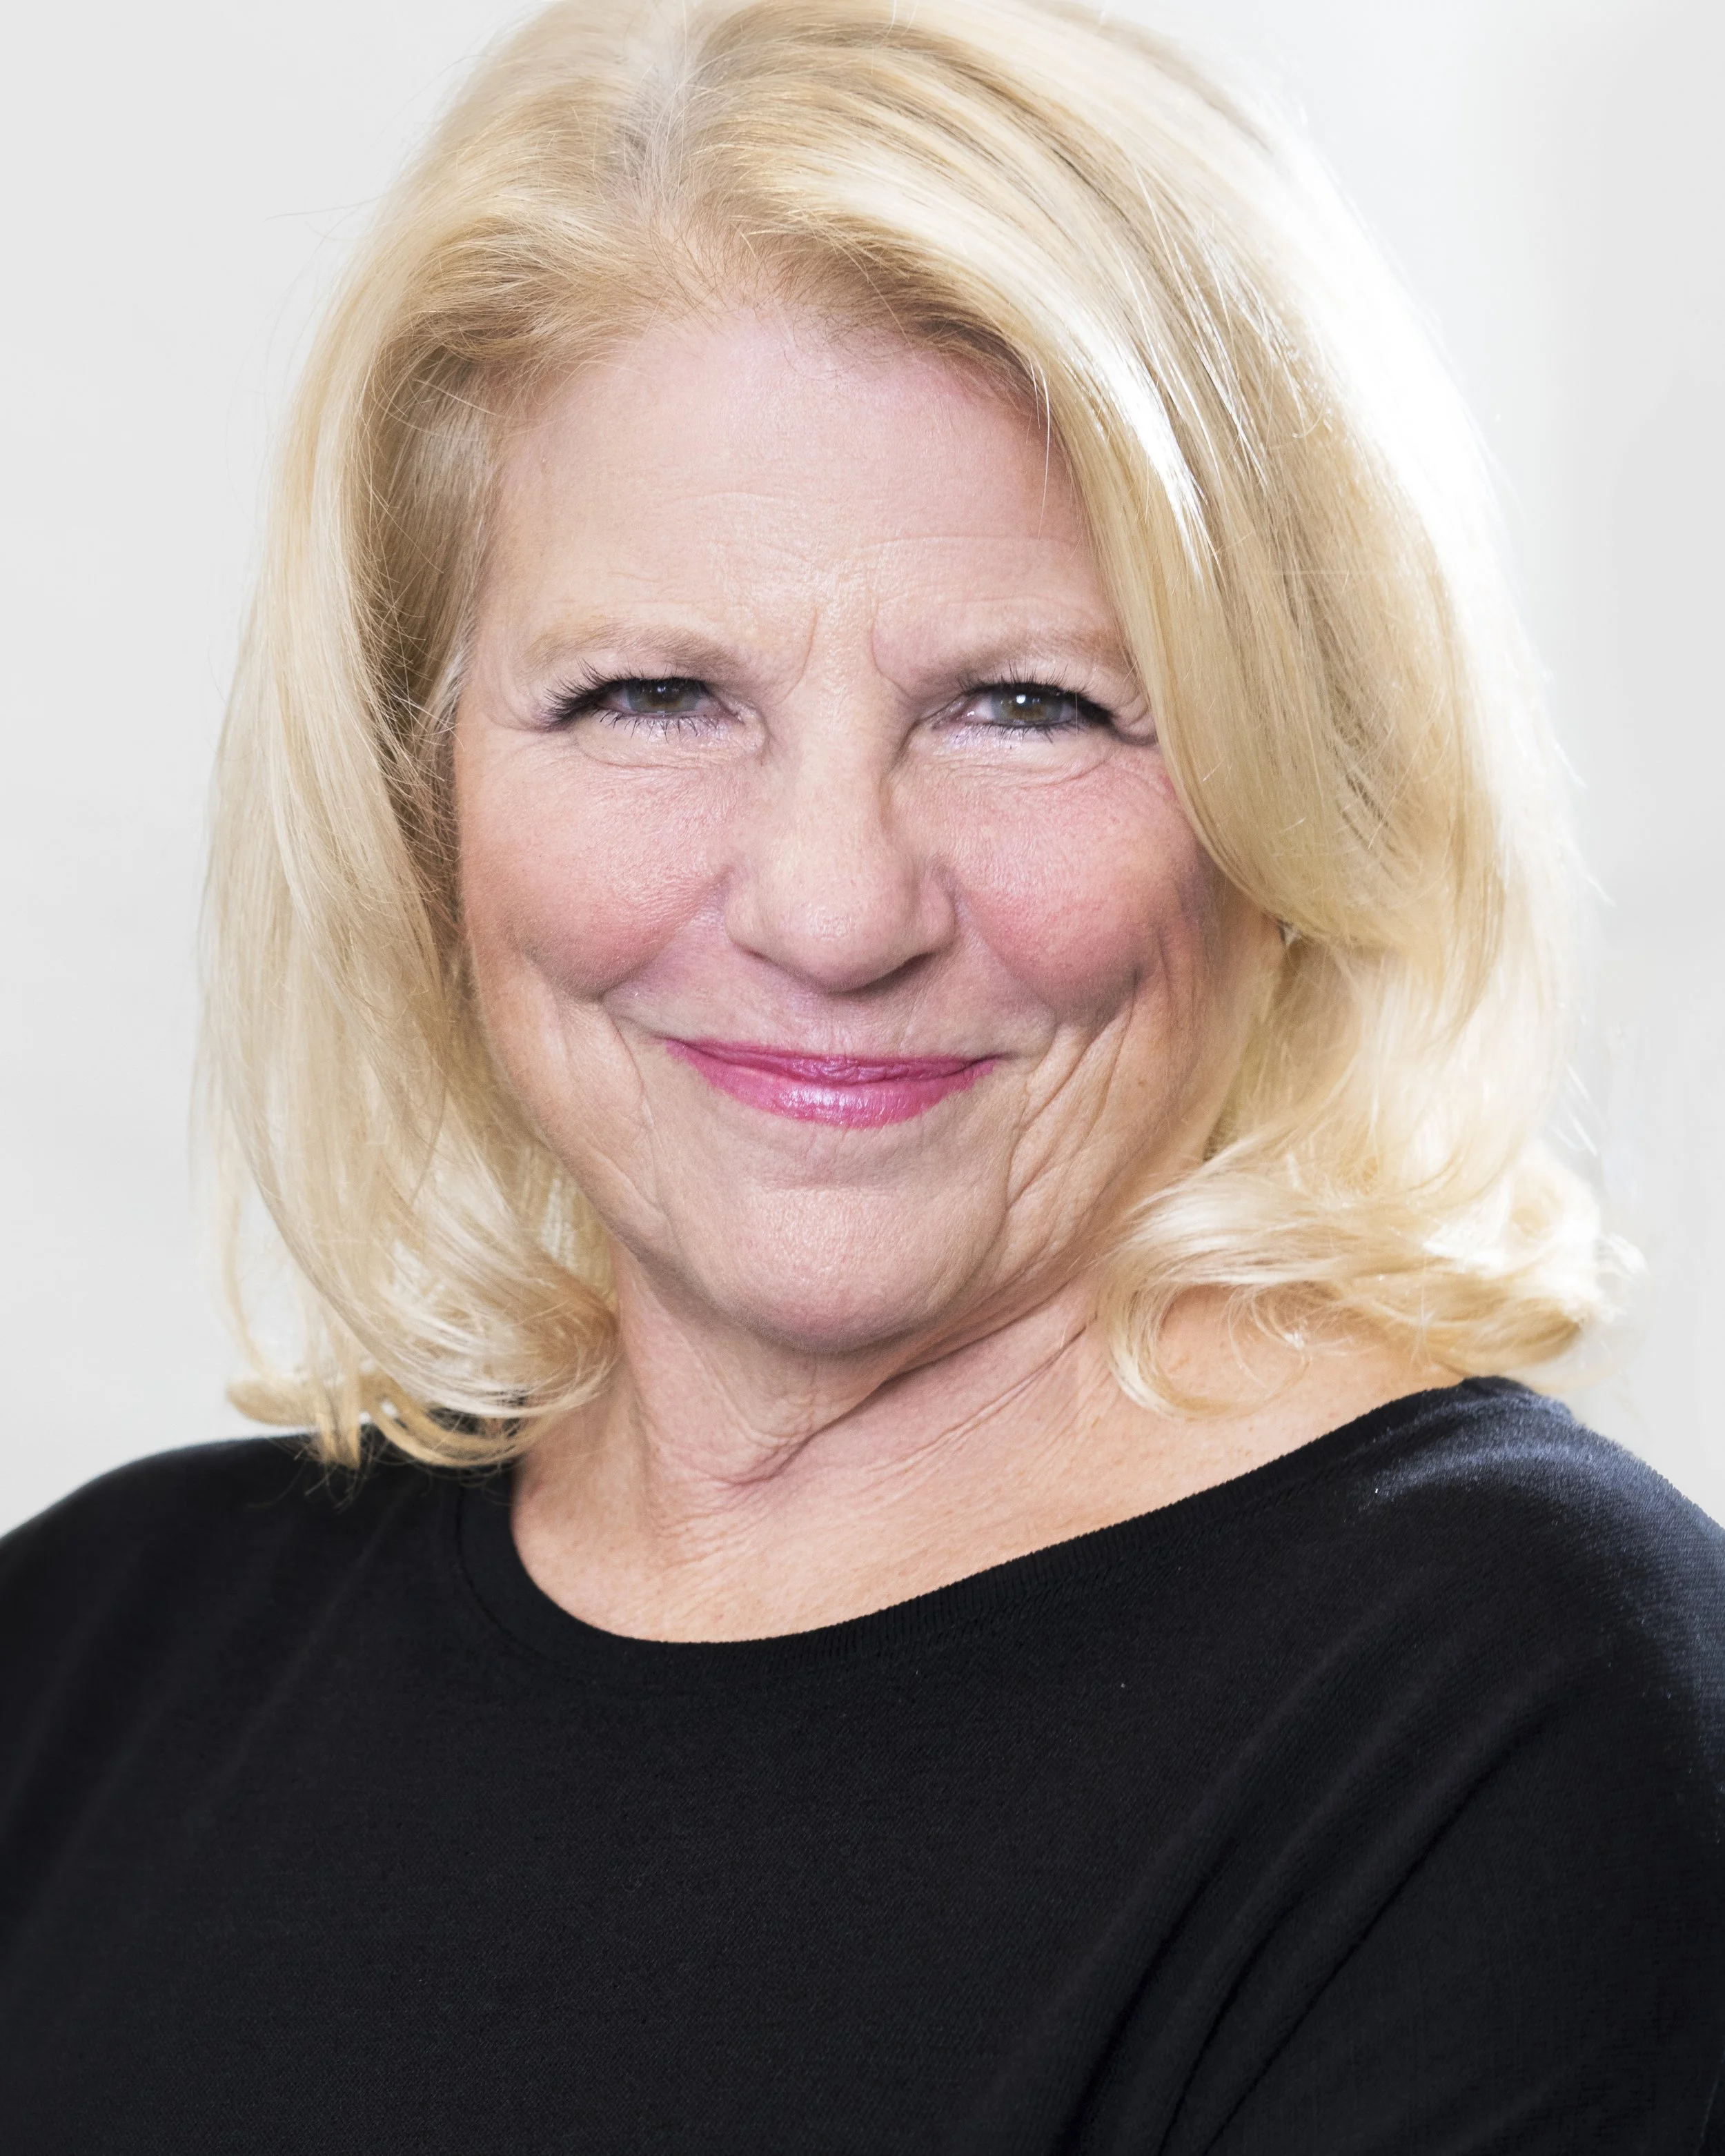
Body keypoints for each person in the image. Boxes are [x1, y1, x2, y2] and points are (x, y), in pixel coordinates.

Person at [2, 0, 1722, 2146]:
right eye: (647, 696)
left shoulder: (1514, 1707)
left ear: (1297, 787)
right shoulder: (89, 1660)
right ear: (418, 787)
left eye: (1027, 705)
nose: (832, 908)